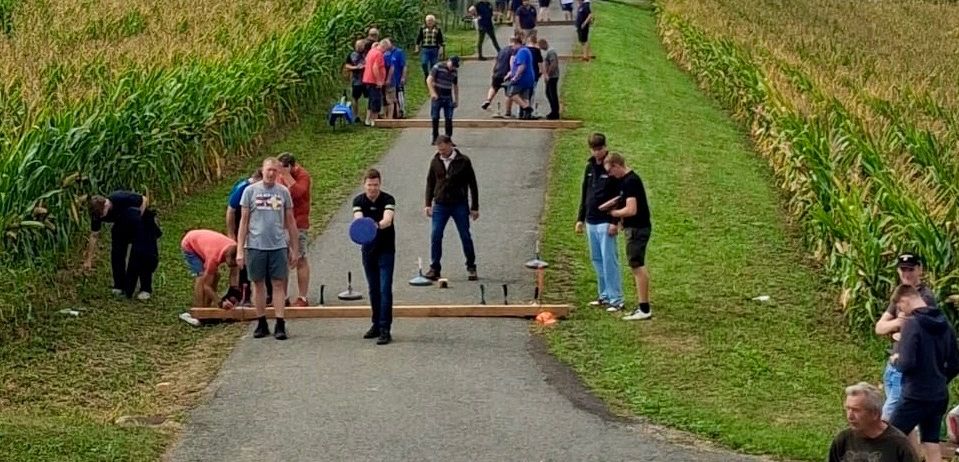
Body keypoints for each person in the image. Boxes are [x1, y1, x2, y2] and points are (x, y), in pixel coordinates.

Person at [888, 284, 959, 462]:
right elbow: (955, 363)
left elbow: (908, 363)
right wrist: (941, 379)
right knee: (931, 441)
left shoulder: (912, 324)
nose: (902, 312)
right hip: (938, 395)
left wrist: (896, 360)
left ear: (905, 299)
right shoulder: (945, 323)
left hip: (915, 395)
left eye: (900, 307)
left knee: (888, 437)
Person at [874, 253, 938, 447]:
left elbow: (921, 334)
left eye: (911, 269)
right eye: (903, 269)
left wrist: (900, 330)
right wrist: (899, 323)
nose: (907, 273)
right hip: (893, 365)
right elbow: (880, 327)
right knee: (908, 429)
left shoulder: (924, 298)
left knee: (887, 422)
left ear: (920, 269)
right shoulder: (900, 294)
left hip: (907, 366)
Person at [237, 157, 300, 341]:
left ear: (278, 172)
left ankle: (280, 322)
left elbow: (290, 220)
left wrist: (294, 248)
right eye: (268, 170)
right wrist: (240, 249)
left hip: (278, 245)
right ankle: (261, 321)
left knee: (278, 283)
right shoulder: (250, 192)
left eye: (275, 170)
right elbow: (244, 221)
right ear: (262, 170)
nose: (271, 173)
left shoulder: (283, 192)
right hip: (256, 245)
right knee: (258, 284)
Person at [575, 133, 624, 311]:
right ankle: (603, 294)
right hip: (591, 220)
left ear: (604, 147)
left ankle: (616, 298)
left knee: (609, 259)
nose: (597, 153)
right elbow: (585, 193)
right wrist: (580, 218)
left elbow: (619, 197)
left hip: (605, 221)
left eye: (599, 149)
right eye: (594, 150)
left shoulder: (610, 167)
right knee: (597, 259)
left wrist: (614, 220)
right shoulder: (589, 167)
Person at [601, 153, 652, 320]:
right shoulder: (627, 181)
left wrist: (615, 213)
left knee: (637, 265)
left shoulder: (630, 181)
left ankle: (644, 308)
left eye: (610, 171)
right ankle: (642, 306)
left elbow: (632, 209)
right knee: (635, 265)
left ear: (617, 165)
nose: (610, 175)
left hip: (638, 228)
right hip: (634, 228)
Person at [424, 135, 479, 282]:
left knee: (465, 235)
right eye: (439, 149)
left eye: (443, 149)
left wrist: (474, 207)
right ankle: (435, 268)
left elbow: (472, 184)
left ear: (450, 145)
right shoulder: (435, 161)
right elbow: (430, 182)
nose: (441, 152)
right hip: (440, 204)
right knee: (436, 235)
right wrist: (428, 203)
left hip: (459, 204)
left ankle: (471, 265)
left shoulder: (464, 161)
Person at [352, 169, 397, 345]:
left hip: (386, 250)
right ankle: (376, 324)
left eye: (375, 185)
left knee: (385, 289)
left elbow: (388, 220)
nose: (372, 188)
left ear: (380, 184)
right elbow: (358, 218)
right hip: (368, 251)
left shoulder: (388, 199)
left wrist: (374, 226)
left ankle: (386, 328)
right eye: (369, 185)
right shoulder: (358, 201)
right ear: (364, 185)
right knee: (373, 289)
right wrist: (362, 225)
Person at [828, 382, 919, 462]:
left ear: (875, 414)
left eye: (856, 410)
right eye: (848, 409)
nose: (850, 416)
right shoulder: (843, 439)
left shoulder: (898, 444)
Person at [84, 191, 149, 296]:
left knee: (140, 254)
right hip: (120, 225)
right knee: (117, 253)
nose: (101, 218)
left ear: (106, 204)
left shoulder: (120, 198)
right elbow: (94, 236)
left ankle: (145, 288)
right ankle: (119, 285)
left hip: (138, 221)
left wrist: (139, 219)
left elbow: (144, 199)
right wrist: (88, 260)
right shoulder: (97, 214)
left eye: (102, 214)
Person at [226, 168, 269, 304]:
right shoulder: (244, 188)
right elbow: (231, 211)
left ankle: (268, 293)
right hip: (242, 221)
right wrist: (231, 233)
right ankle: (243, 292)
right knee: (243, 257)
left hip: (258, 222)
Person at [278, 153, 312, 307]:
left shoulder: (303, 175)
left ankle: (302, 297)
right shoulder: (280, 177)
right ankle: (283, 297)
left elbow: (298, 193)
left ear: (291, 166)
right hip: (281, 224)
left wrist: (287, 176)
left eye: (283, 169)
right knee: (282, 261)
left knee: (300, 258)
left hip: (299, 223)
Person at [181, 229, 239, 308]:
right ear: (227, 256)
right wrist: (220, 302)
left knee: (216, 275)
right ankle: (200, 308)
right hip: (190, 244)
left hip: (206, 243)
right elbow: (206, 286)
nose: (234, 265)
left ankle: (207, 306)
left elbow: (234, 275)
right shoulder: (213, 258)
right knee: (201, 276)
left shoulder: (236, 249)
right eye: (232, 263)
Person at [118, 207, 161, 300]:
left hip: (137, 250)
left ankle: (128, 291)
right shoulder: (150, 223)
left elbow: (128, 236)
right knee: (146, 272)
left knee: (132, 271)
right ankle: (145, 289)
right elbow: (158, 234)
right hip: (150, 250)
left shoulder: (134, 220)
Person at [426, 56, 460, 145]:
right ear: (449, 61)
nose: (452, 67)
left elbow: (455, 86)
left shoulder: (454, 72)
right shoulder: (438, 67)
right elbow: (429, 80)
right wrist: (432, 92)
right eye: (452, 65)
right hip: (438, 95)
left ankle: (448, 138)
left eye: (454, 66)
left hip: (448, 96)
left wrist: (456, 99)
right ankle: (435, 137)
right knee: (435, 117)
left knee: (449, 118)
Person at [503, 36, 536, 119]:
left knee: (512, 94)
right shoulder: (525, 50)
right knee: (525, 96)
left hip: (522, 78)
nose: (512, 48)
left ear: (517, 43)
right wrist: (510, 73)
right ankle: (527, 115)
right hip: (528, 78)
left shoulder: (522, 51)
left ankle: (526, 108)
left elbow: (522, 66)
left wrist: (516, 76)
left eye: (512, 46)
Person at [481, 44, 515, 112]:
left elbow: (496, 61)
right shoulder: (514, 51)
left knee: (494, 87)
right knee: (508, 93)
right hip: (506, 73)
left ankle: (488, 100)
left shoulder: (502, 50)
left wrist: (494, 71)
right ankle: (508, 111)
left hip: (497, 72)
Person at [362, 41, 387, 126]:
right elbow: (375, 67)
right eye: (385, 50)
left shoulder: (371, 51)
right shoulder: (378, 54)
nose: (385, 52)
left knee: (371, 100)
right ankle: (374, 120)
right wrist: (378, 80)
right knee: (376, 100)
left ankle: (367, 119)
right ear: (383, 47)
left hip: (367, 79)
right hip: (373, 81)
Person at [343, 39, 367, 124]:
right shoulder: (351, 54)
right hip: (356, 80)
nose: (359, 48)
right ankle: (356, 116)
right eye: (357, 46)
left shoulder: (367, 53)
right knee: (355, 98)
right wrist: (355, 67)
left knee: (368, 98)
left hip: (366, 80)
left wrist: (365, 66)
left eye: (361, 46)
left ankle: (367, 115)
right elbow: (347, 65)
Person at [384, 40, 408, 119]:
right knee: (391, 98)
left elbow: (404, 65)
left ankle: (401, 112)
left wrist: (403, 77)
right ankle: (392, 113)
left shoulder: (399, 52)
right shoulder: (385, 53)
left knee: (399, 96)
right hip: (389, 81)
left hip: (397, 78)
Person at [540, 38, 560, 119]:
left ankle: (555, 112)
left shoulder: (551, 52)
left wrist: (548, 74)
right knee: (548, 93)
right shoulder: (548, 52)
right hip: (550, 76)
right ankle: (553, 110)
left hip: (553, 76)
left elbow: (553, 64)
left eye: (541, 46)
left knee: (552, 94)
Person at [525, 33, 544, 110]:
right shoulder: (537, 51)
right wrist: (541, 72)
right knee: (531, 93)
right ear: (536, 41)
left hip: (525, 74)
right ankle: (529, 108)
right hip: (534, 74)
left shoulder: (524, 49)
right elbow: (540, 63)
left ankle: (521, 111)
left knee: (523, 93)